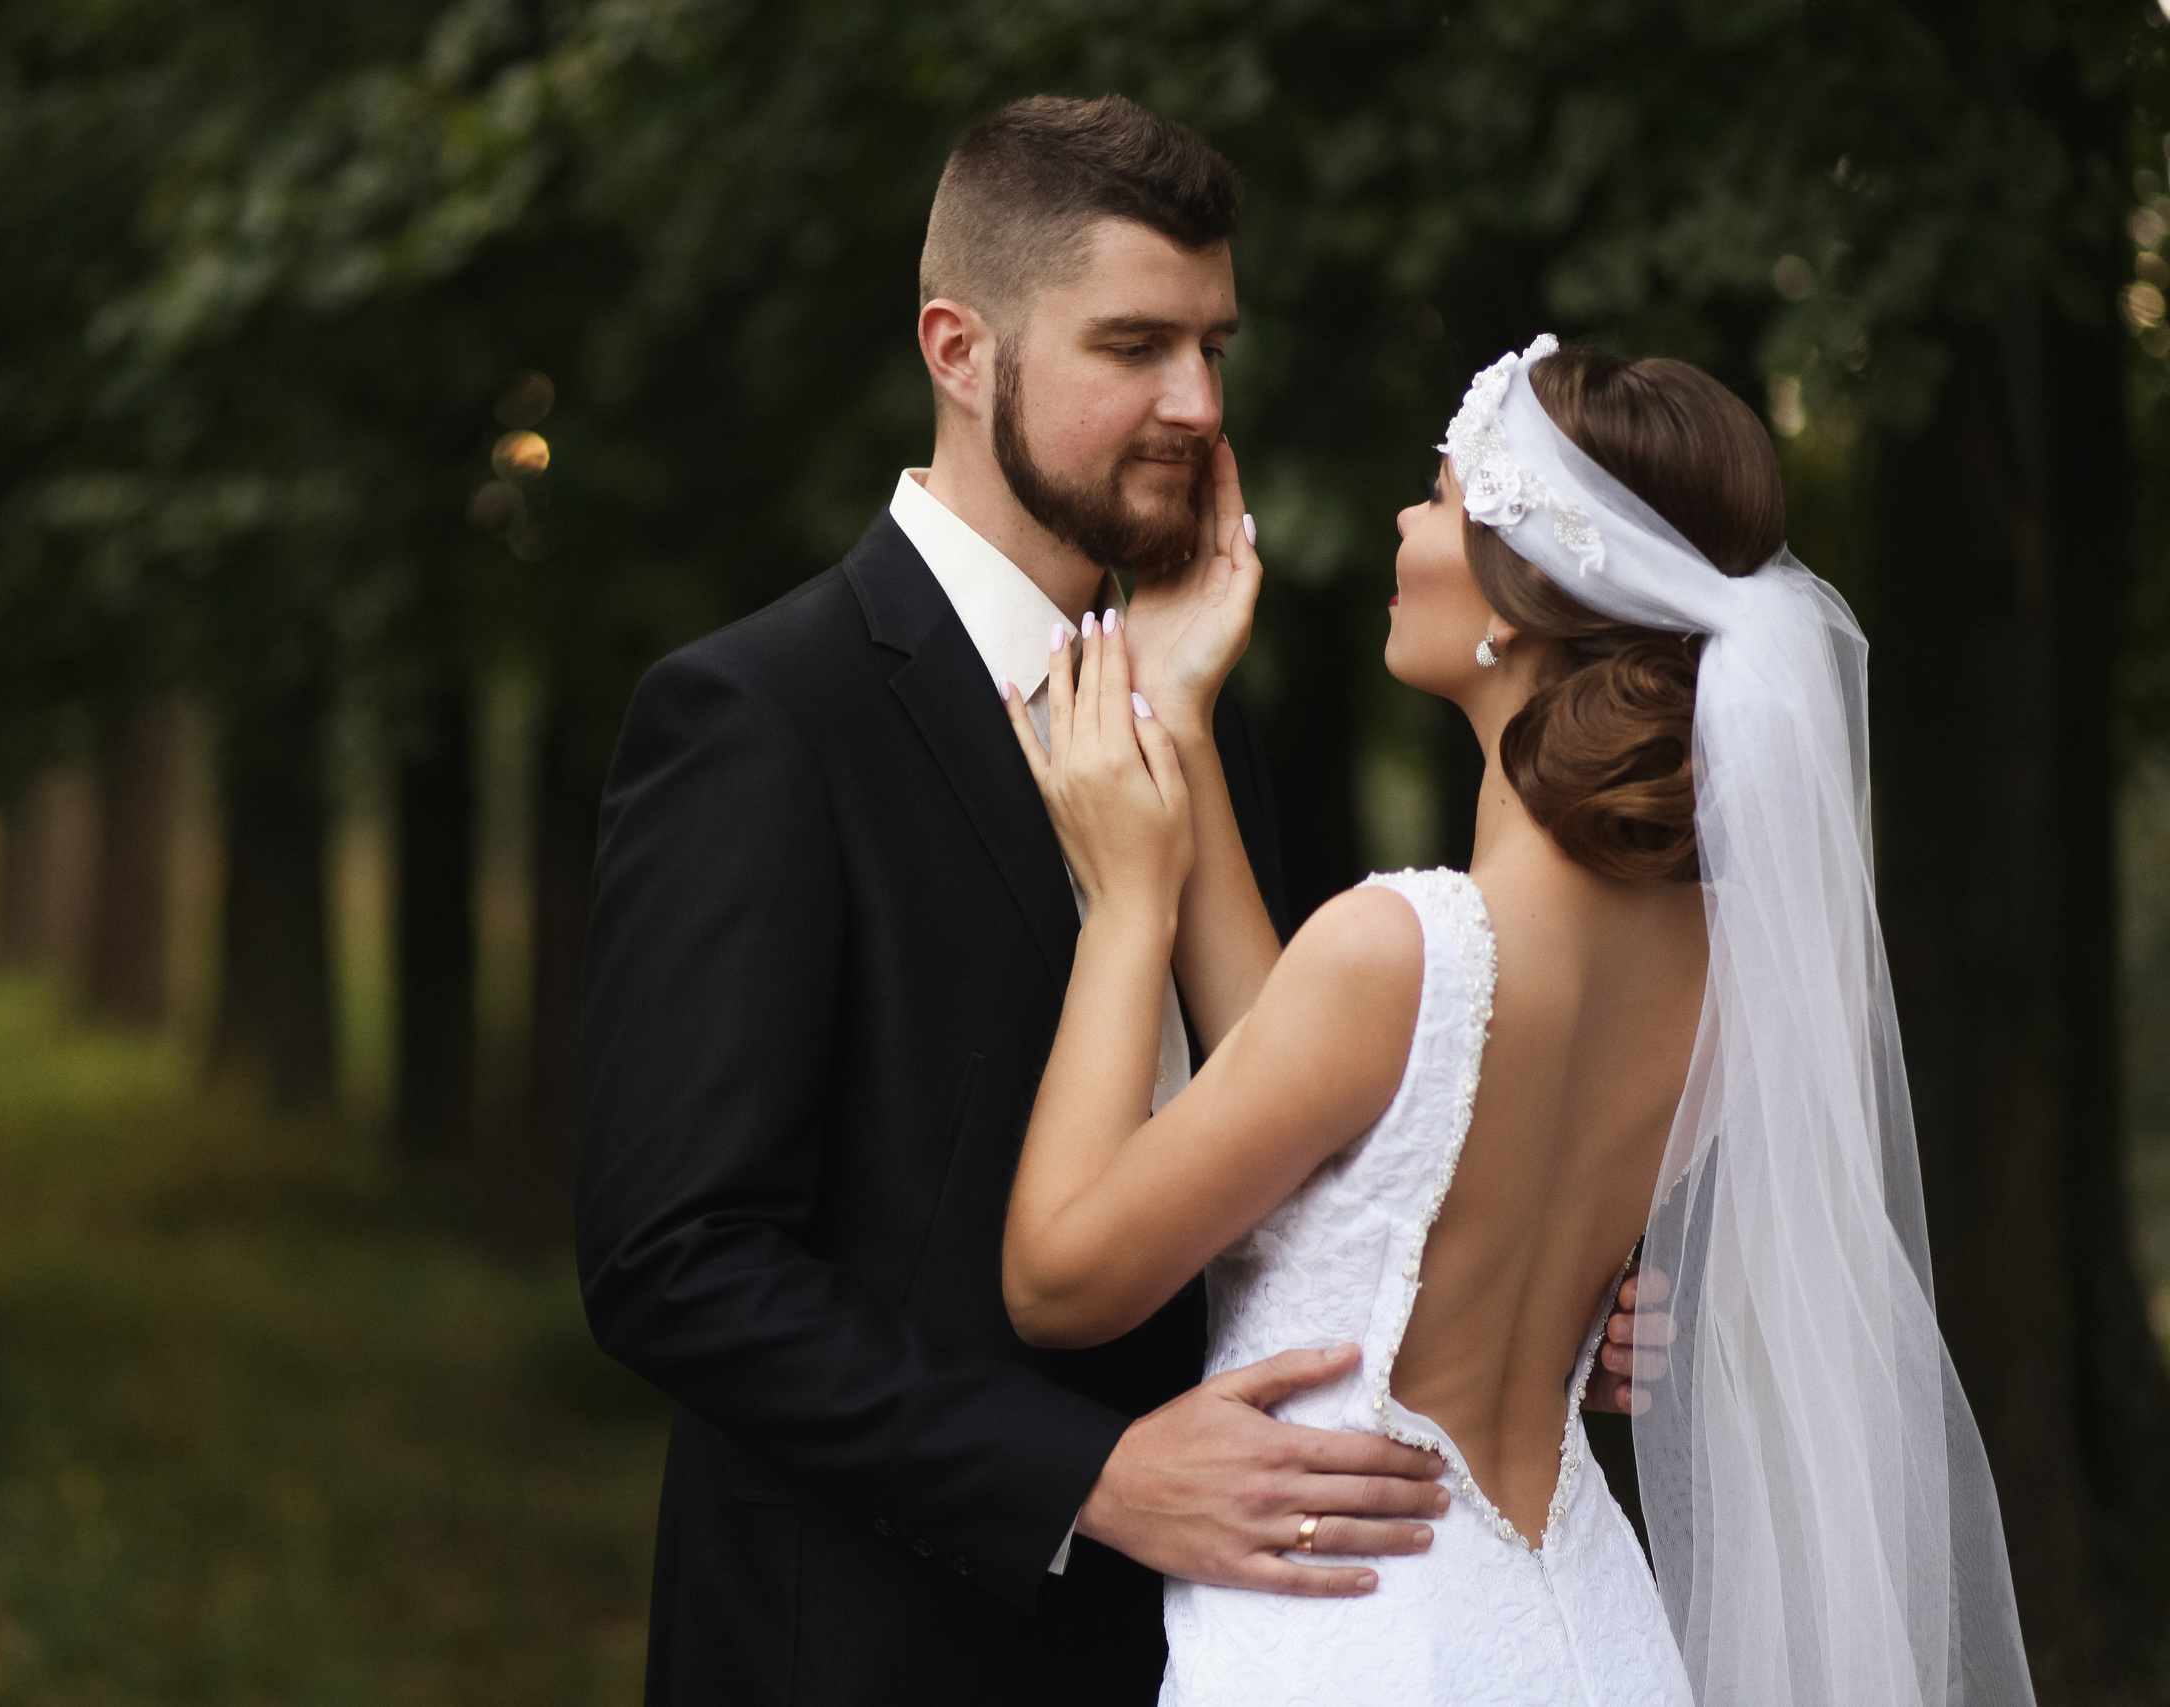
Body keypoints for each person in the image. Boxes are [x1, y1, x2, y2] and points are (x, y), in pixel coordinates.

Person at [576, 98, 1641, 1704]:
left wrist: (1545, 1276)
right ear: (960, 348)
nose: (1198, 405)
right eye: (1136, 345)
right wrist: (1083, 1479)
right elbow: (677, 1262)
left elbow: (1299, 1149)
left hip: (1246, 1640)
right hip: (879, 1647)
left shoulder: (1208, 710)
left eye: (1215, 345)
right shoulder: (761, 719)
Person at [1000, 335, 2036, 1704]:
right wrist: (1181, 731)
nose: (1402, 522)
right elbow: (1334, 1124)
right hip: (1590, 1635)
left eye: (1436, 495)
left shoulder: (1400, 949)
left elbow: (1060, 1279)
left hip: (1357, 1638)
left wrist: (1133, 902)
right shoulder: (1720, 970)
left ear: (1517, 599)